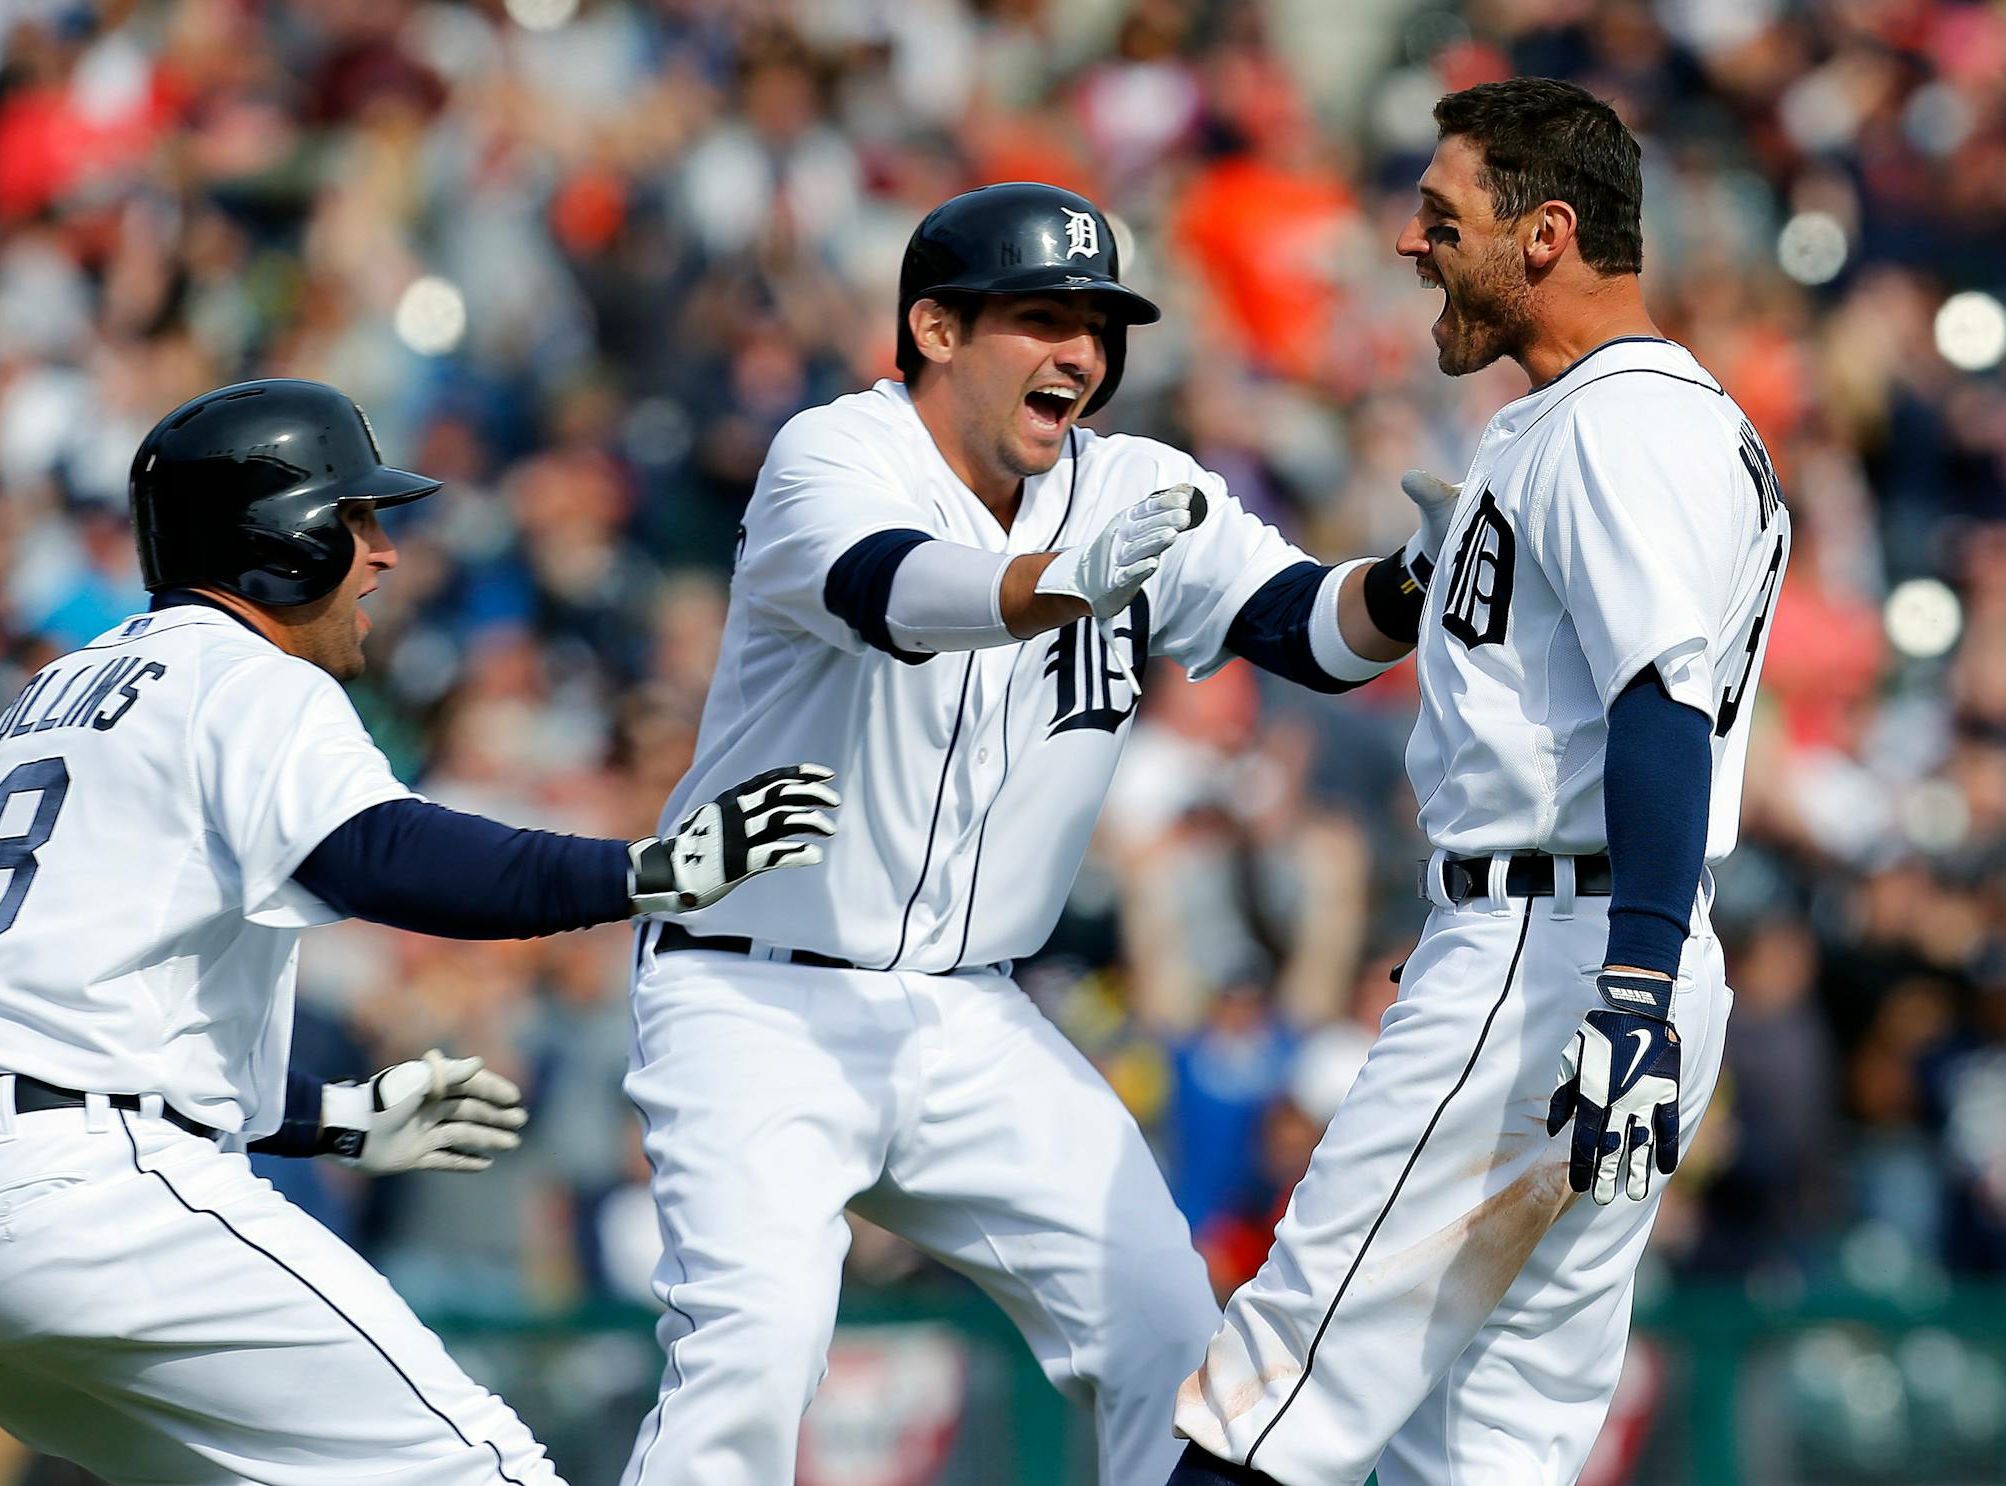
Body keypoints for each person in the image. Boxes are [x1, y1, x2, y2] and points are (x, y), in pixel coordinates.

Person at [616, 182, 1457, 1486]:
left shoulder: (1129, 487)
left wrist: (1411, 580)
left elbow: (1307, 624)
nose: (1080, 350)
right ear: (937, 328)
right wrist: (1055, 582)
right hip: (753, 997)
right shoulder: (834, 455)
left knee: (1172, 1338)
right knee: (755, 1355)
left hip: (972, 1017)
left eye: (1098, 324)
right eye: (1040, 316)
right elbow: (890, 591)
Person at [0, 379, 837, 1486]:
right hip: (97, 1202)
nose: (383, 554)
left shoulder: (52, 693)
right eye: (353, 520)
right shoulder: (241, 676)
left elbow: (71, 1008)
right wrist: (649, 869)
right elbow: (384, 854)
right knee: (486, 1469)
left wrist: (331, 1119)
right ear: (279, 540)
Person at [1168, 78, 1790, 1486]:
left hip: (1557, 950)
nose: (1410, 243)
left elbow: (1661, 702)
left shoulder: (1619, 427)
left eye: (1443, 216)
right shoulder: (1615, 419)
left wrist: (1625, 987)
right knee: (1488, 1448)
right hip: (1613, 943)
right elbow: (1348, 630)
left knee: (1280, 1379)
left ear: (1548, 233)